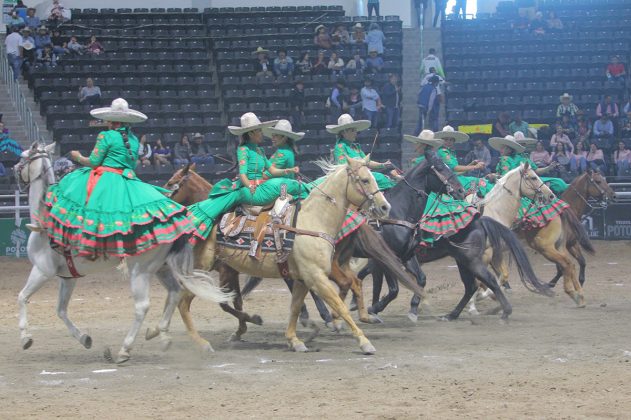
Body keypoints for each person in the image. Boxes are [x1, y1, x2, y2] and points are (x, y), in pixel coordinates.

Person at [43, 98, 200, 257]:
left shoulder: (106, 135)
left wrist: (77, 157)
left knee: (72, 187)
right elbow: (131, 164)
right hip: (126, 178)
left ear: (111, 119)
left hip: (107, 177)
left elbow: (93, 162)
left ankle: (72, 241)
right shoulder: (133, 139)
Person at [187, 113, 304, 240]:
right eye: (259, 131)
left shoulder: (260, 151)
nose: (262, 134)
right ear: (252, 133)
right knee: (239, 194)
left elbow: (272, 170)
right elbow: (243, 175)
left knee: (280, 183)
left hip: (262, 186)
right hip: (251, 189)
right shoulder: (243, 150)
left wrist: (288, 170)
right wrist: (249, 185)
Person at [490, 135, 568, 229]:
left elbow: (535, 171)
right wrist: (495, 175)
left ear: (510, 149)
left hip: (519, 185)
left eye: (504, 147)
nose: (501, 149)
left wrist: (548, 168)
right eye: (521, 144)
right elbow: (505, 176)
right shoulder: (507, 159)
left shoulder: (513, 159)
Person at [327, 114, 395, 190]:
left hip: (363, 176)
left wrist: (382, 165)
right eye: (353, 130)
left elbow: (367, 162)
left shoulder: (356, 147)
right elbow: (343, 164)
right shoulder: (340, 147)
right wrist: (362, 164)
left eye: (355, 130)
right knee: (382, 179)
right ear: (344, 132)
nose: (356, 133)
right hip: (352, 179)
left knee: (384, 179)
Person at [435, 126, 492, 196]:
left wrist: (471, 164)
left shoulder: (450, 152)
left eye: (451, 140)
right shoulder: (443, 151)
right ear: (442, 140)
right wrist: (475, 166)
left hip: (455, 178)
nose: (448, 142)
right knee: (480, 182)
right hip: (452, 181)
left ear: (454, 141)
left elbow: (457, 172)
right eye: (446, 140)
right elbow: (455, 168)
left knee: (480, 181)